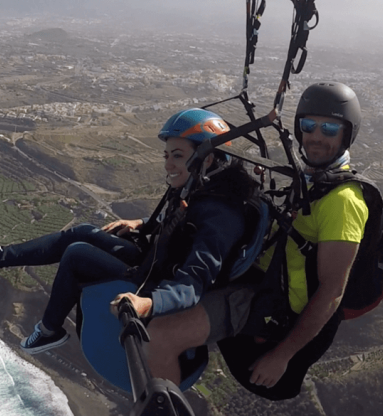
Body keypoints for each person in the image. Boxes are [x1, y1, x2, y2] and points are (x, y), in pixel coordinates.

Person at [0, 108, 257, 354]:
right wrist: (142, 223)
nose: (167, 164)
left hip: (152, 282)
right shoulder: (202, 190)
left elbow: (193, 284)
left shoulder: (221, 215)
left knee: (77, 254)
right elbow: (178, 224)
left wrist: (149, 303)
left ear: (206, 159)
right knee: (82, 232)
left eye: (177, 156)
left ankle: (48, 330)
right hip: (153, 259)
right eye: (166, 155)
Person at [144, 81, 369, 400]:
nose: (317, 136)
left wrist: (283, 355)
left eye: (329, 128)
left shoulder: (342, 201)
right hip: (258, 280)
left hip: (270, 306)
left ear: (348, 133)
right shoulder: (308, 180)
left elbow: (332, 292)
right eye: (309, 125)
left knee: (160, 337)